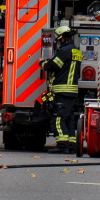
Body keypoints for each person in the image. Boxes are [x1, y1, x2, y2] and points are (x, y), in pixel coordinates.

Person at [43, 23, 83, 153]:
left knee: (58, 118)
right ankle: (71, 145)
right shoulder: (76, 51)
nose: (59, 43)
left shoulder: (64, 51)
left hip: (62, 90)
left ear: (63, 38)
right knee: (69, 118)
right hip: (72, 91)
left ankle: (62, 146)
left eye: (59, 40)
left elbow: (52, 66)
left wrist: (42, 63)